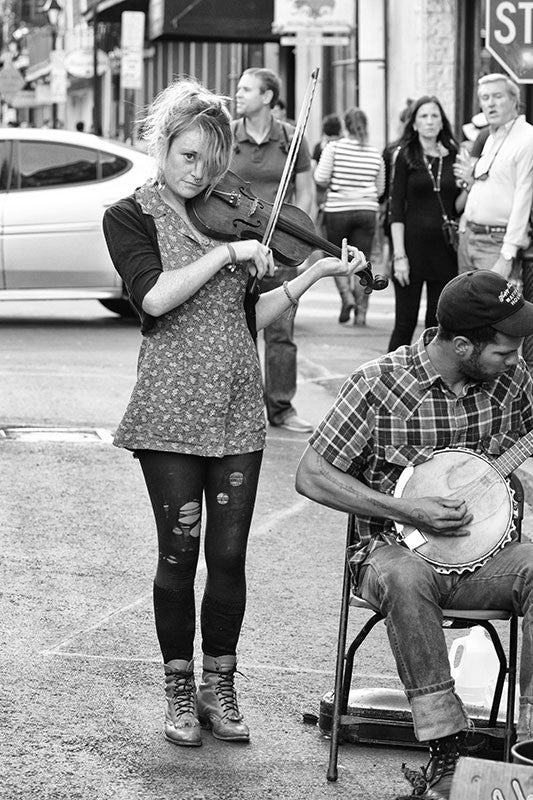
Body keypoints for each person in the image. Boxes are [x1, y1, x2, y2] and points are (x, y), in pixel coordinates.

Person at [102, 77, 364, 749]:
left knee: (227, 556)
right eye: (187, 157)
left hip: (236, 410)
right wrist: (227, 253)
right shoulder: (130, 215)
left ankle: (222, 685)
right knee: (177, 554)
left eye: (209, 163)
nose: (198, 173)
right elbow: (154, 299)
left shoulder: (228, 213)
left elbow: (252, 311)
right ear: (163, 146)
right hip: (167, 413)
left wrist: (314, 274)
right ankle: (180, 690)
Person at [295, 269, 533, 800]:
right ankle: (447, 750)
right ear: (464, 344)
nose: (516, 362)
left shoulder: (511, 382)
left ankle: (530, 747)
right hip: (390, 554)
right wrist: (406, 507)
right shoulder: (379, 383)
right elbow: (310, 474)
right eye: (504, 351)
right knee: (405, 576)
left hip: (486, 560)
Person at [231, 67, 316, 433]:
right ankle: (237, 407)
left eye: (246, 89)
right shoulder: (227, 135)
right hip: (234, 245)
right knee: (235, 329)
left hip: (278, 246)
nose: (238, 95)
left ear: (267, 97)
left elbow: (307, 192)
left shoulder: (292, 139)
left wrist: (303, 243)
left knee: (281, 331)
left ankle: (280, 407)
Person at [387, 95, 461, 351]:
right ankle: (388, 384)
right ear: (415, 124)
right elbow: (395, 208)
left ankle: (433, 384)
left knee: (437, 325)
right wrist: (399, 256)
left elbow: (457, 206)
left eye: (434, 116)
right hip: (412, 248)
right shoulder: (405, 155)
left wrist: (470, 185)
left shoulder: (454, 155)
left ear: (442, 122)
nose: (430, 121)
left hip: (445, 250)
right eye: (424, 117)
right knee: (404, 324)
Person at [454, 73, 533, 277]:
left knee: (494, 308)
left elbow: (524, 197)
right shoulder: (490, 137)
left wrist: (508, 254)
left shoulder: (527, 138)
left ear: (514, 99)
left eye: (498, 96)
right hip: (469, 236)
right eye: (485, 98)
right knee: (467, 307)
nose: (491, 104)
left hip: (496, 243)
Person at [314, 107, 385, 325]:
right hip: (366, 210)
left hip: (338, 210)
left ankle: (346, 297)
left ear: (345, 126)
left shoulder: (333, 148)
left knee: (336, 256)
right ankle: (362, 313)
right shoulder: (375, 153)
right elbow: (380, 189)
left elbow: (320, 177)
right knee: (363, 261)